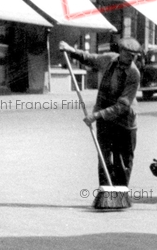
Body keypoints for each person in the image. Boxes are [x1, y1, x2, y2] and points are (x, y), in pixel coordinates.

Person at [59, 37, 141, 188]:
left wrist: (96, 115)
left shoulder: (134, 74)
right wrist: (71, 50)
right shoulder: (109, 59)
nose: (132, 58)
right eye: (129, 54)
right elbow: (91, 59)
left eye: (135, 55)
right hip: (105, 120)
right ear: (121, 52)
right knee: (104, 158)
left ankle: (119, 195)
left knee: (122, 162)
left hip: (125, 123)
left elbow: (122, 106)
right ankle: (105, 194)